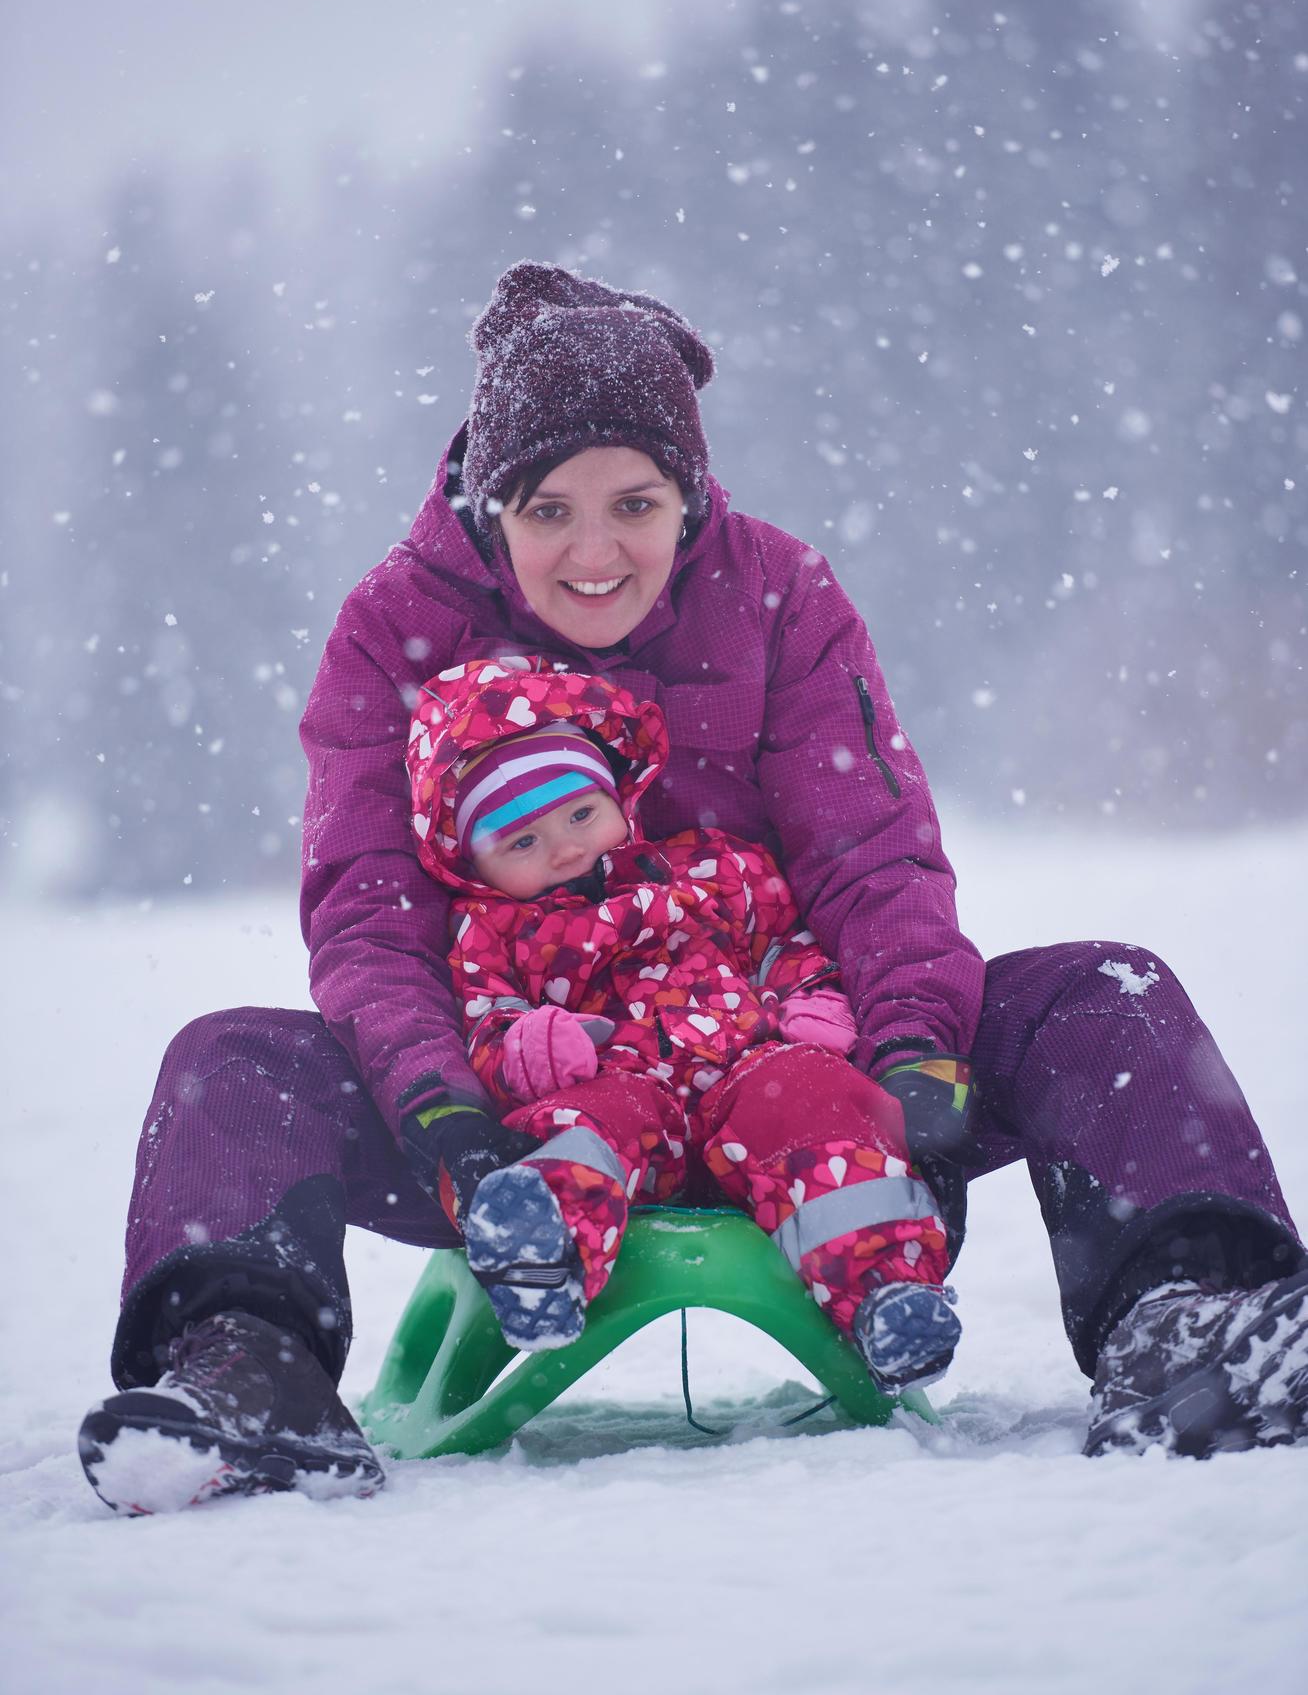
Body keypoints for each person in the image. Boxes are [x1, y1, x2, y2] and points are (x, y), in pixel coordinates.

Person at [78, 261, 1308, 1514]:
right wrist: (449, 1121)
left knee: (1103, 995)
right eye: (549, 508)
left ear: (692, 492)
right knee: (231, 1062)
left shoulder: (780, 597)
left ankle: (1191, 1325)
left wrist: (916, 1071)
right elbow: (369, 924)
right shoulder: (390, 630)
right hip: (522, 1113)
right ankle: (244, 1376)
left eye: (636, 502)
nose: (596, 550)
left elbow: (874, 862)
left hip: (803, 1067)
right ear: (487, 500)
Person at [403, 653, 962, 1384]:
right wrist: (525, 1048)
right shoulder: (492, 927)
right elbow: (484, 1017)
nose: (567, 847)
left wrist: (813, 997)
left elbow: (781, 945)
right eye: (523, 842)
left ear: (618, 800)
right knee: (584, 1126)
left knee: (817, 1104)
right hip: (625, 1088)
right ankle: (540, 1258)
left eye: (581, 814)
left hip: (750, 1067)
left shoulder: (715, 868)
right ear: (475, 863)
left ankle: (891, 1293)